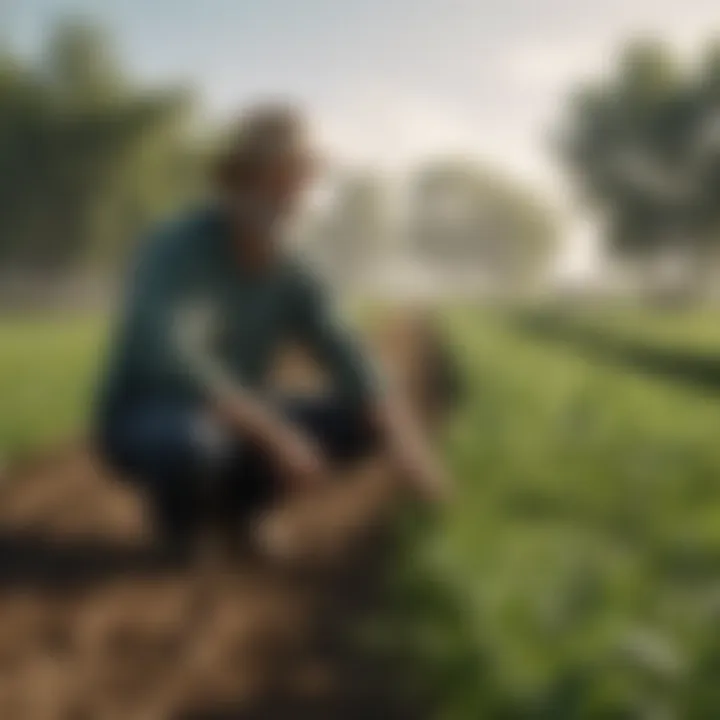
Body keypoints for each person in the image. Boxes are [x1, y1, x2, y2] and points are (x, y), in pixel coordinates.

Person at [95, 103, 446, 560]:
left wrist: (409, 449)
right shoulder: (174, 249)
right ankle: (179, 523)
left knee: (357, 419)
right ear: (236, 181)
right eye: (273, 176)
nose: (287, 193)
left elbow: (344, 350)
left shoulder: (294, 267)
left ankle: (245, 512)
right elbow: (174, 357)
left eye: (298, 178)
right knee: (195, 442)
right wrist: (275, 436)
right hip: (151, 411)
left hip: (236, 411)